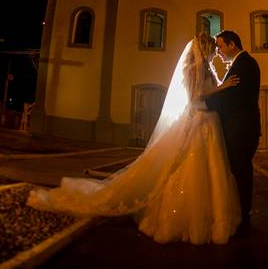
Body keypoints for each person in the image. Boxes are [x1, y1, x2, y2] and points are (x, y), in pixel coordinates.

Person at [27, 32, 242, 245]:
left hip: (209, 123)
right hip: (198, 122)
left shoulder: (207, 68)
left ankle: (212, 215)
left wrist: (222, 88)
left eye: (217, 48)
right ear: (204, 49)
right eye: (214, 48)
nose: (216, 52)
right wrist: (223, 87)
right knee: (189, 167)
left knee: (211, 170)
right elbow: (194, 97)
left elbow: (212, 91)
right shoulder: (192, 68)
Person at [203, 30, 261, 231]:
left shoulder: (244, 65)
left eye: (220, 45)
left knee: (241, 173)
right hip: (240, 128)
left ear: (232, 44)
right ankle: (241, 213)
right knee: (238, 172)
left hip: (241, 130)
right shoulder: (241, 64)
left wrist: (203, 103)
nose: (218, 50)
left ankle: (244, 217)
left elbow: (231, 99)